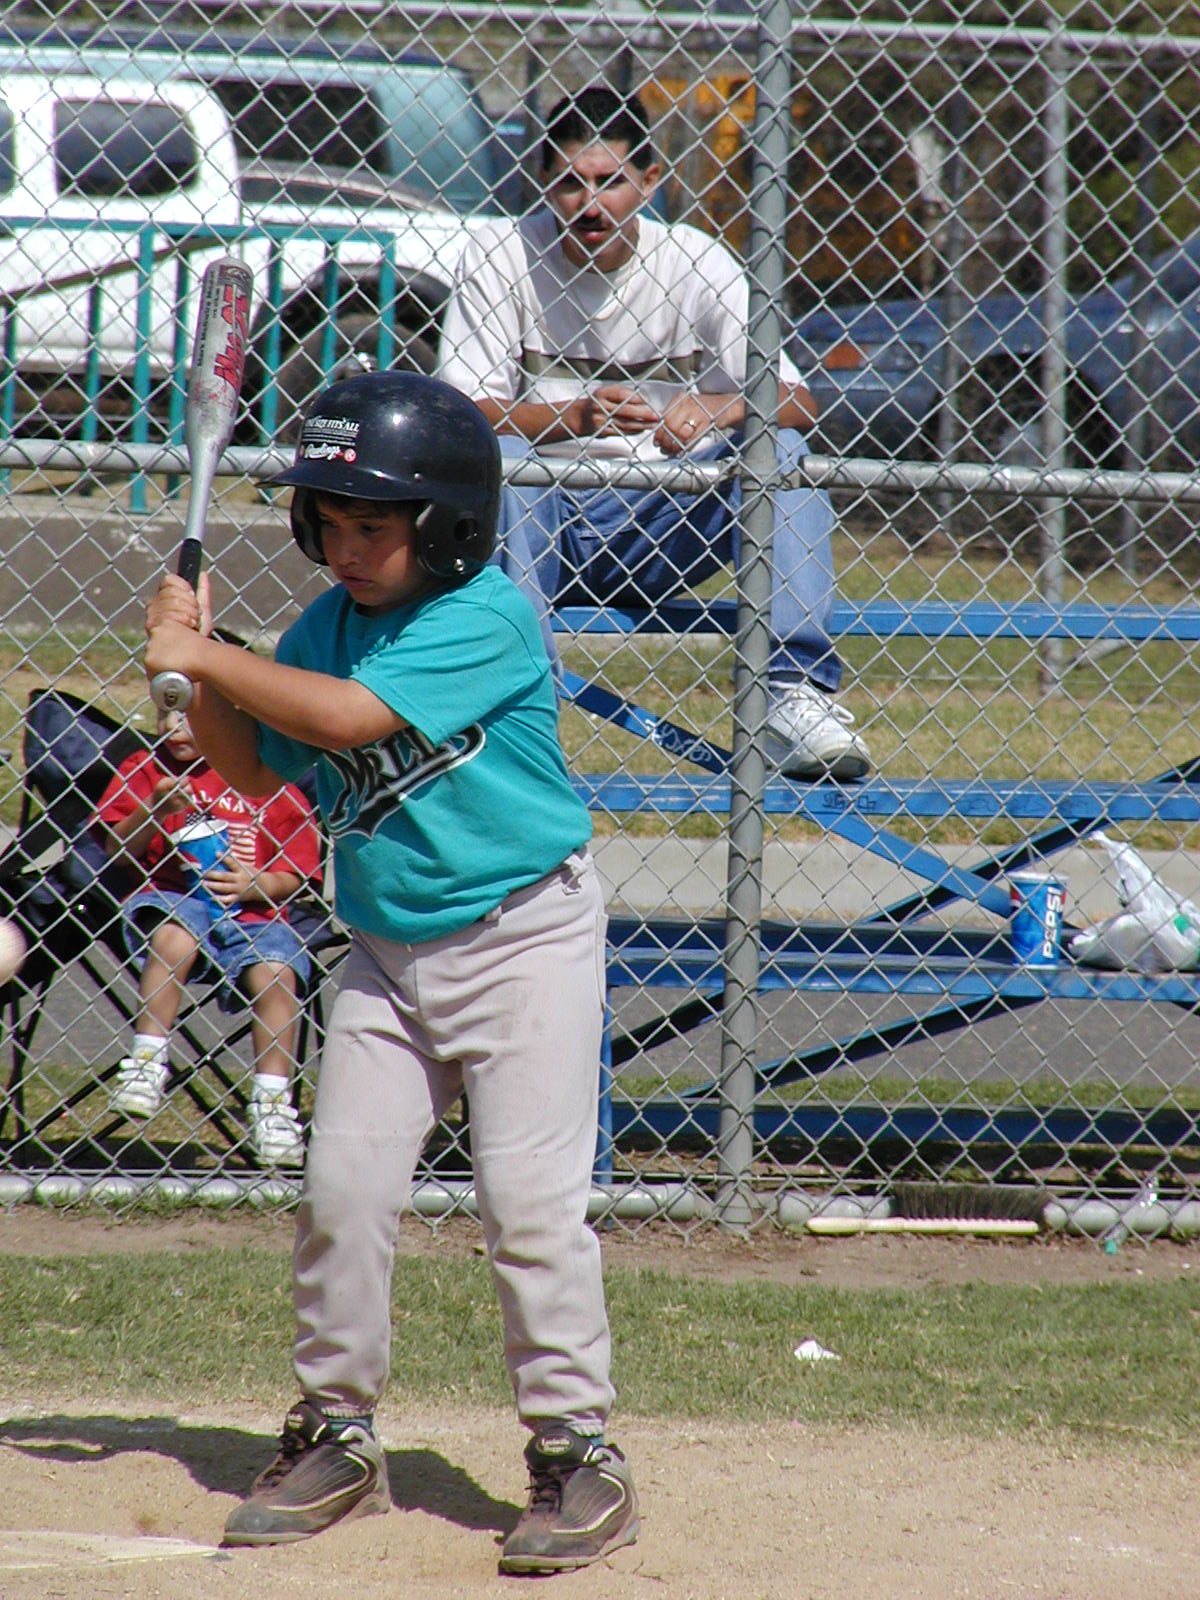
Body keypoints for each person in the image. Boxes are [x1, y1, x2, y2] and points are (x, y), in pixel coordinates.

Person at [141, 370, 639, 1574]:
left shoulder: (487, 616)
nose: (348, 548)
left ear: (448, 523)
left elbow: (350, 721)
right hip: (385, 954)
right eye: (331, 522)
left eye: (377, 524)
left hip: (524, 942)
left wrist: (210, 653)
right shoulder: (325, 628)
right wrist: (198, 673)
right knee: (342, 1194)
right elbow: (259, 768)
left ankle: (578, 1451)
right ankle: (335, 1429)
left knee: (528, 1211)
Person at [436, 83, 870, 781]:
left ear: (649, 180)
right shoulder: (501, 253)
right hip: (540, 518)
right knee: (505, 456)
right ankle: (520, 703)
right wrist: (573, 418)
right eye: (570, 183)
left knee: (780, 449)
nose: (591, 204)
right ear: (543, 183)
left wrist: (717, 408)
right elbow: (460, 413)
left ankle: (790, 695)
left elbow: (798, 401)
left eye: (610, 181)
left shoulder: (695, 261)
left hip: (664, 515)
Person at [94, 705, 321, 1168]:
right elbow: (116, 849)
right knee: (175, 935)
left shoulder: (270, 778)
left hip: (255, 914)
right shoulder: (148, 768)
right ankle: (146, 1062)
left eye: (189, 716)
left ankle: (272, 1105)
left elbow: (296, 875)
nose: (172, 728)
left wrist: (257, 884)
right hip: (177, 899)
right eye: (165, 712)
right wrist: (155, 808)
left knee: (278, 973)